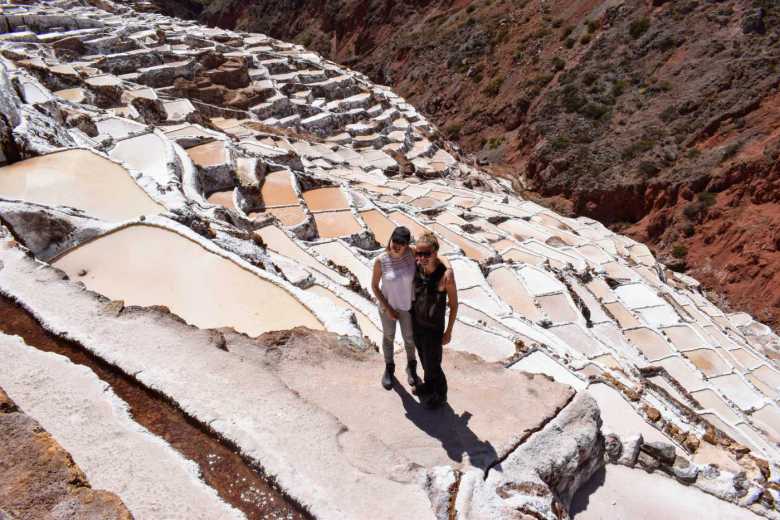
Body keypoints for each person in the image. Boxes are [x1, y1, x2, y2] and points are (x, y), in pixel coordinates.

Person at [411, 232, 458, 409]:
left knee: (434, 364)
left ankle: (440, 395)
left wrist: (449, 331)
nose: (422, 257)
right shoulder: (417, 267)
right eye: (419, 253)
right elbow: (399, 248)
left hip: (433, 328)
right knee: (423, 358)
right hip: (417, 322)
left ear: (435, 252)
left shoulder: (445, 277)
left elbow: (454, 305)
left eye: (426, 254)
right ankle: (428, 386)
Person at [371, 226, 421, 390]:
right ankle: (389, 368)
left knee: (409, 338)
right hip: (388, 307)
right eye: (395, 241)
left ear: (407, 244)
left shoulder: (412, 253)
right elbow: (375, 287)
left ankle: (411, 367)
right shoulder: (381, 260)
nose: (397, 245)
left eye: (401, 243)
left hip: (407, 306)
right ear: (390, 239)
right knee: (388, 337)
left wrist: (448, 268)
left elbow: (434, 254)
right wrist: (388, 308)